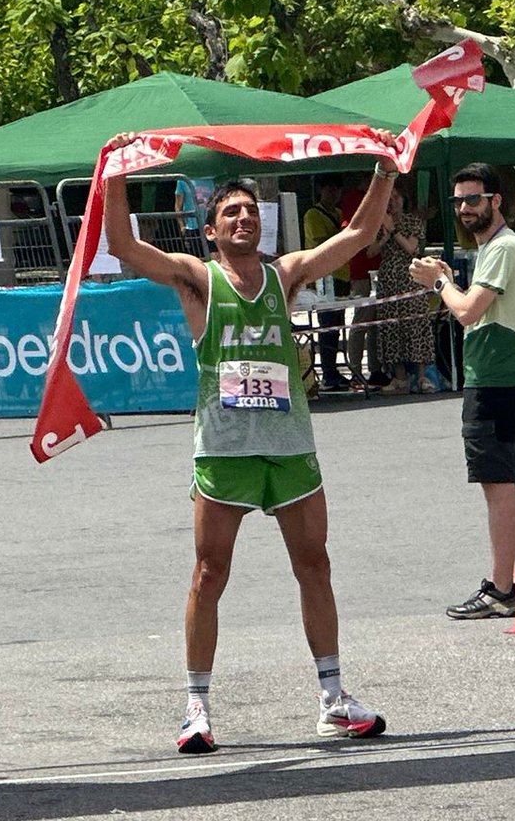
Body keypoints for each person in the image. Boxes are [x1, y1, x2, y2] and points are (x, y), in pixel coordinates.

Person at [104, 131, 399, 753]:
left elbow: (357, 237)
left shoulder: (284, 274)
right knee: (210, 573)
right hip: (224, 451)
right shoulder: (196, 279)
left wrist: (386, 171)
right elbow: (123, 246)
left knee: (314, 565)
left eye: (251, 211)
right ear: (210, 230)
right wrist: (117, 170)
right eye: (230, 212)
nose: (243, 218)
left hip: (290, 448)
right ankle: (196, 707)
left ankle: (333, 698)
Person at [410, 162, 515, 621]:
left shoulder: (502, 247)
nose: (465, 208)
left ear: (496, 201)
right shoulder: (495, 248)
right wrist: (450, 279)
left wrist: (440, 283)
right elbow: (481, 309)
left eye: (474, 199)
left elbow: (466, 311)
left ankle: (502, 588)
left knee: (499, 486)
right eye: (459, 201)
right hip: (508, 377)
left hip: (496, 381)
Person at [371, 183, 436, 395]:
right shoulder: (378, 222)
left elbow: (411, 248)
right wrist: (384, 235)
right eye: (389, 197)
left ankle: (422, 376)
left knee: (415, 323)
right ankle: (399, 377)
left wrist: (394, 230)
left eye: (396, 196)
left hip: (410, 277)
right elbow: (370, 252)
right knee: (392, 327)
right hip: (388, 279)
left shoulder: (411, 221)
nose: (393, 200)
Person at [303, 174, 354, 391]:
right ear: (321, 190)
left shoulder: (340, 213)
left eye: (337, 189)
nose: (334, 193)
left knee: (336, 327)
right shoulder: (313, 215)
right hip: (324, 276)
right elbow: (319, 244)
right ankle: (328, 374)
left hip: (343, 274)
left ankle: (335, 370)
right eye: (329, 189)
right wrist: (341, 234)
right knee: (326, 326)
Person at [341, 176, 384, 389]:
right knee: (361, 321)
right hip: (361, 271)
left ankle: (375, 369)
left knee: (376, 323)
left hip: (380, 268)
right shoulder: (354, 200)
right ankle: (355, 370)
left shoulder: (382, 199)